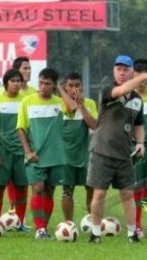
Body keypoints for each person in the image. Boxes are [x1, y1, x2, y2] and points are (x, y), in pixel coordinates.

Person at [87, 55, 147, 243]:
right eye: (118, 69)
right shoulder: (108, 89)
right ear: (114, 71)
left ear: (131, 72)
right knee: (100, 193)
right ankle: (95, 233)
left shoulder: (137, 99)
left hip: (125, 154)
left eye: (125, 69)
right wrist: (143, 76)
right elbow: (123, 89)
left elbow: (138, 124)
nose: (121, 72)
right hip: (102, 151)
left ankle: (132, 234)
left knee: (128, 194)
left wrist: (139, 143)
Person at [16, 68, 76, 239]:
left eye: (47, 84)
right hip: (35, 155)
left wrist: (60, 89)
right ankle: (39, 228)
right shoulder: (27, 101)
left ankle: (44, 228)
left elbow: (72, 107)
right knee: (38, 188)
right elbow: (21, 128)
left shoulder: (59, 102)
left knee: (49, 191)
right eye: (41, 82)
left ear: (54, 85)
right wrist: (28, 151)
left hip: (55, 156)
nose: (42, 86)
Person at [0, 68, 28, 232]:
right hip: (3, 151)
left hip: (21, 151)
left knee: (22, 187)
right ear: (6, 83)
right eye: (13, 81)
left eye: (19, 81)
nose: (17, 84)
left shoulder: (26, 100)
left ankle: (20, 222)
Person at [61, 72, 98, 221]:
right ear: (65, 87)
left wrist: (82, 106)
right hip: (66, 155)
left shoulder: (90, 103)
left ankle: (92, 222)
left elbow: (94, 125)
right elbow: (70, 109)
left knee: (90, 189)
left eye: (77, 85)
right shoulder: (60, 103)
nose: (74, 89)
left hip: (86, 154)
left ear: (82, 87)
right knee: (67, 191)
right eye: (70, 85)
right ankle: (68, 223)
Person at [5, 56, 36, 212]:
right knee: (10, 177)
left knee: (25, 179)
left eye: (29, 68)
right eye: (25, 68)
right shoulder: (5, 93)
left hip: (28, 142)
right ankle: (12, 208)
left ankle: (19, 213)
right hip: (10, 142)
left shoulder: (34, 93)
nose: (28, 71)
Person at [133, 58, 147, 238]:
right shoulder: (129, 97)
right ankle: (136, 224)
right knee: (137, 186)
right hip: (135, 148)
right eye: (139, 78)